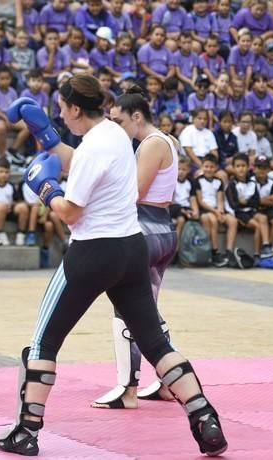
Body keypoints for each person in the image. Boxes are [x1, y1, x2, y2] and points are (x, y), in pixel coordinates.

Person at [0, 74, 228, 457]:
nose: (58, 113)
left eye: (60, 108)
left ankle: (26, 430)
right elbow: (81, 160)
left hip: (92, 252)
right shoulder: (115, 134)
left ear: (73, 108)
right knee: (155, 342)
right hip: (131, 249)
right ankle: (204, 417)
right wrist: (49, 138)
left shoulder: (92, 149)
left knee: (44, 341)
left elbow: (70, 212)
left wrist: (45, 189)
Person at [90, 85, 183, 408]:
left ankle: (126, 388)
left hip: (145, 230)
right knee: (147, 310)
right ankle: (169, 381)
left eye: (119, 121)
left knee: (126, 308)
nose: (116, 128)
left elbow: (135, 192)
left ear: (137, 116)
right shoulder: (167, 140)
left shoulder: (151, 145)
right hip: (161, 228)